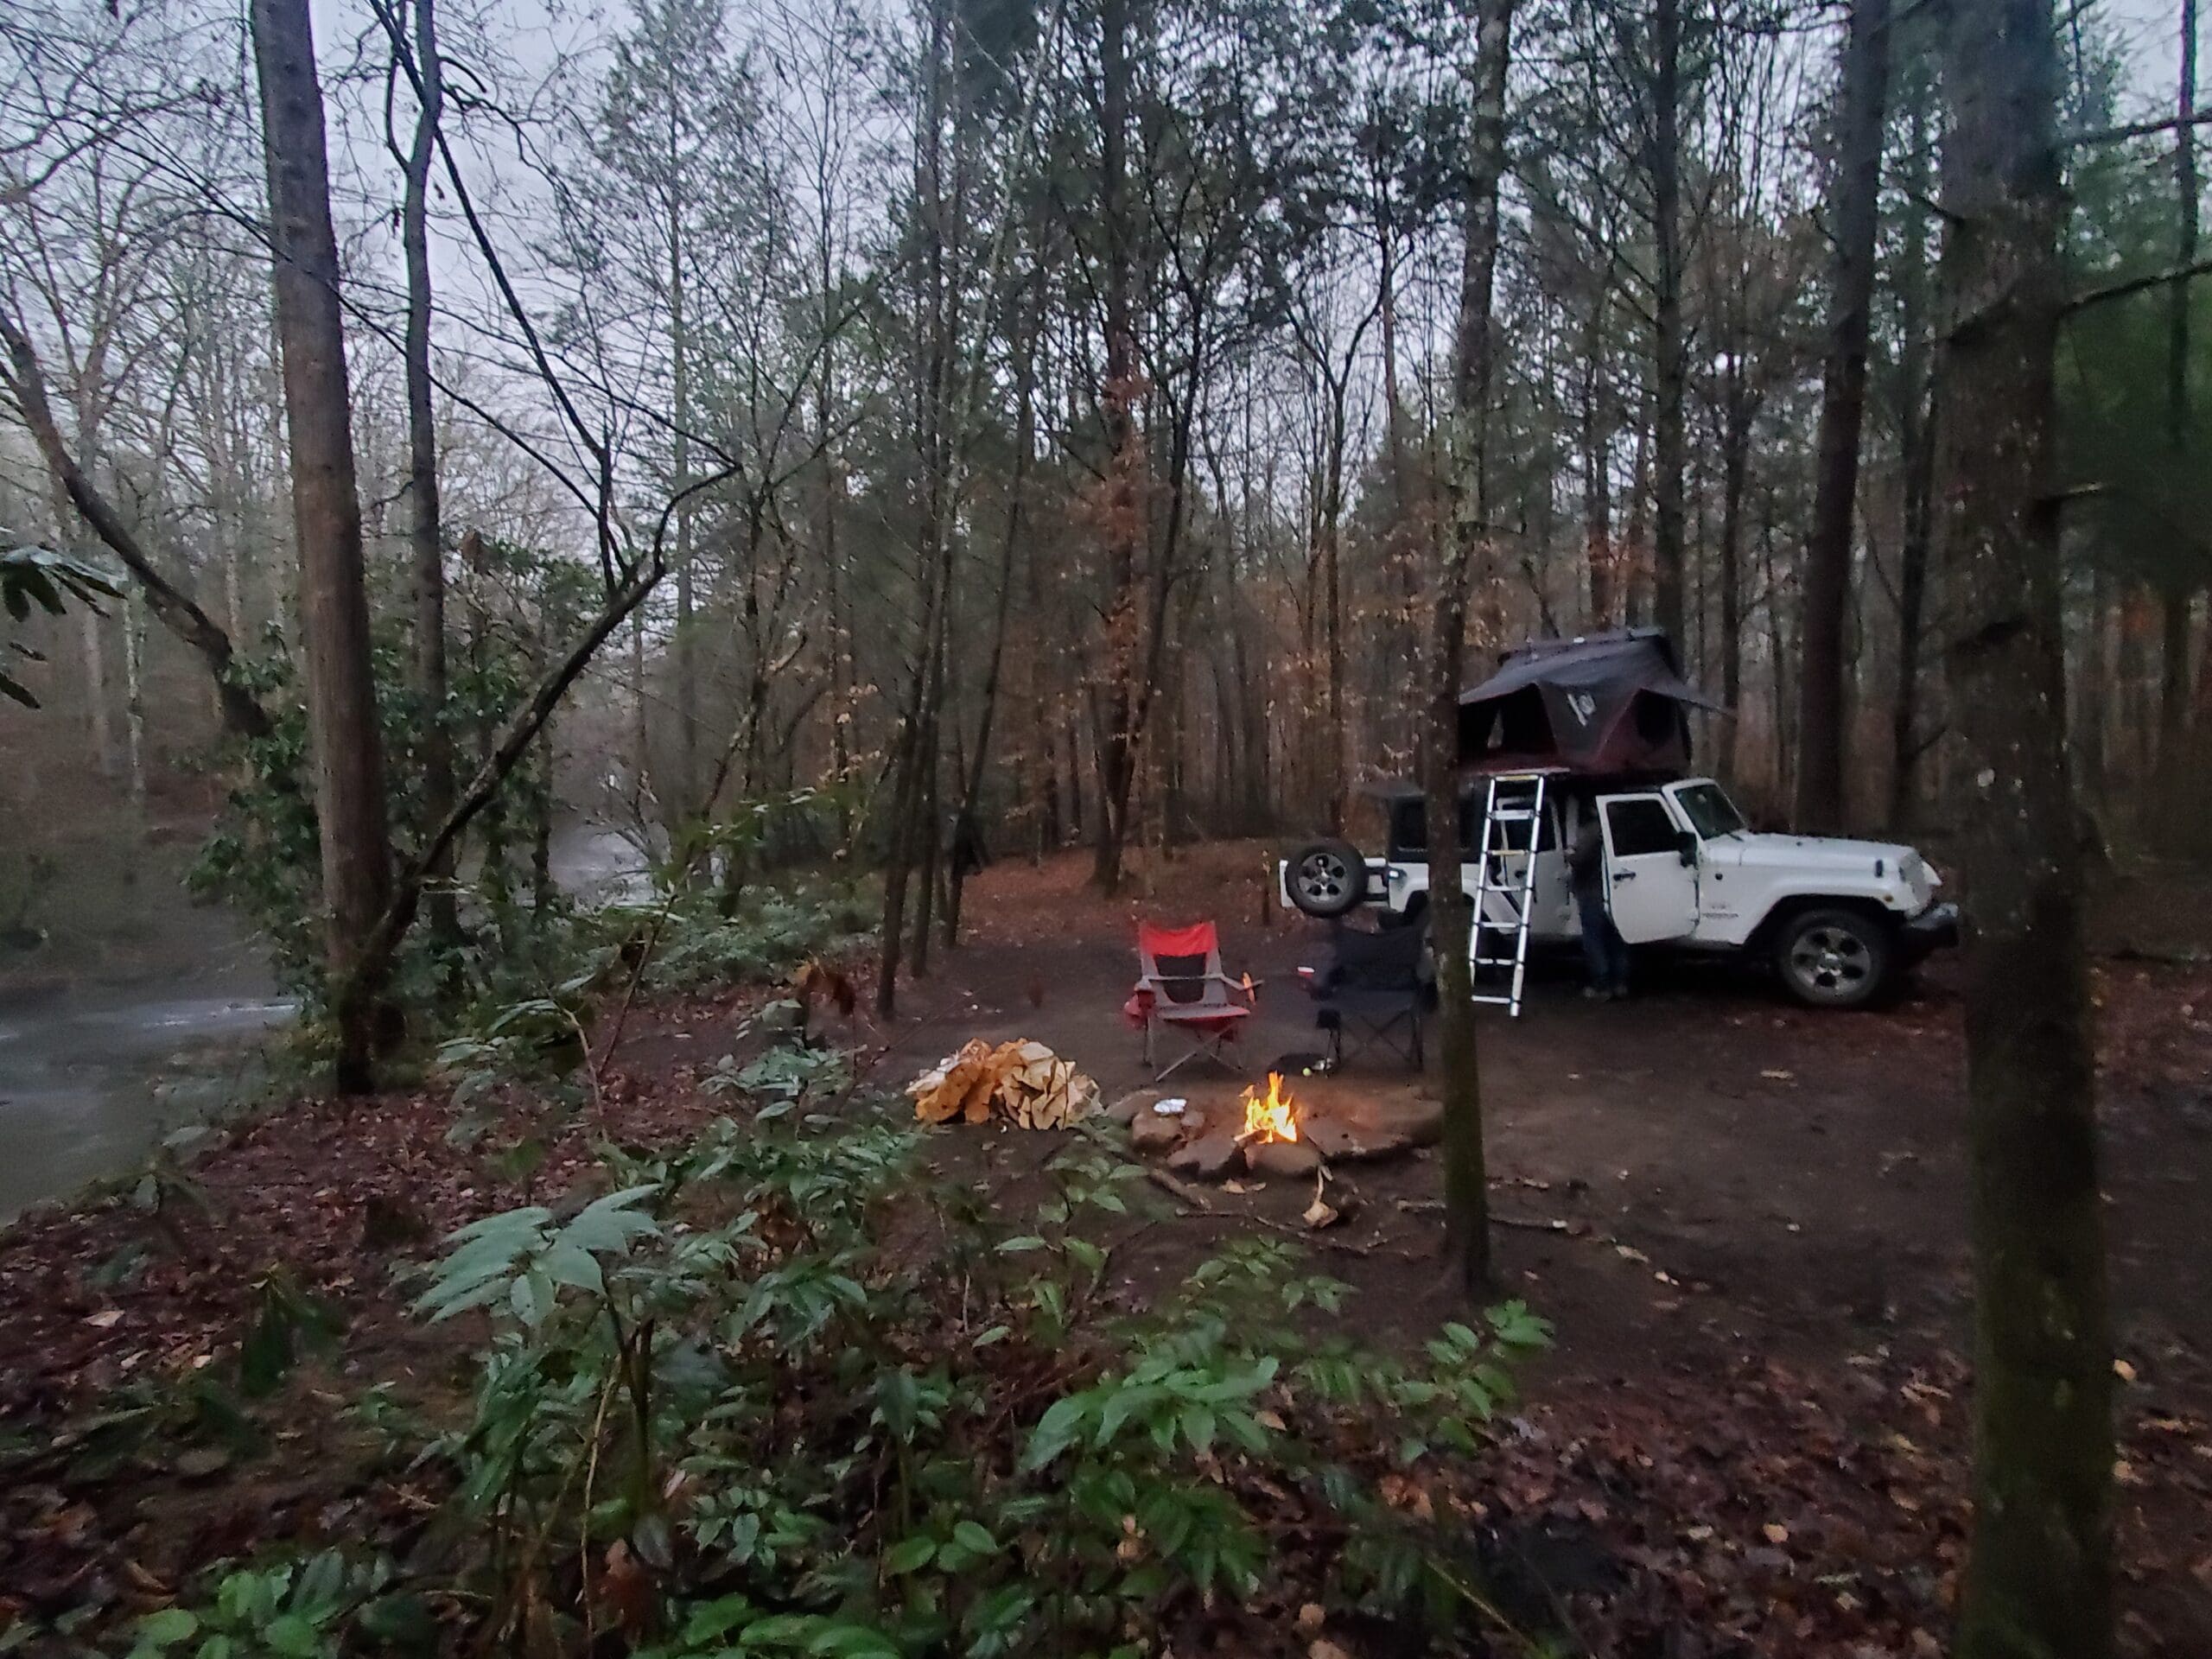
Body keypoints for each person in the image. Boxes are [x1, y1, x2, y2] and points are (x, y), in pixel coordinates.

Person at [1567, 811, 1630, 1000]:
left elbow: (1580, 860)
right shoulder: (1617, 828)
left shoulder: (1592, 831)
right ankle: (1620, 983)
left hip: (1592, 892)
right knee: (1616, 938)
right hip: (1614, 891)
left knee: (1594, 939)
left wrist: (1570, 855)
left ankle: (1601, 985)